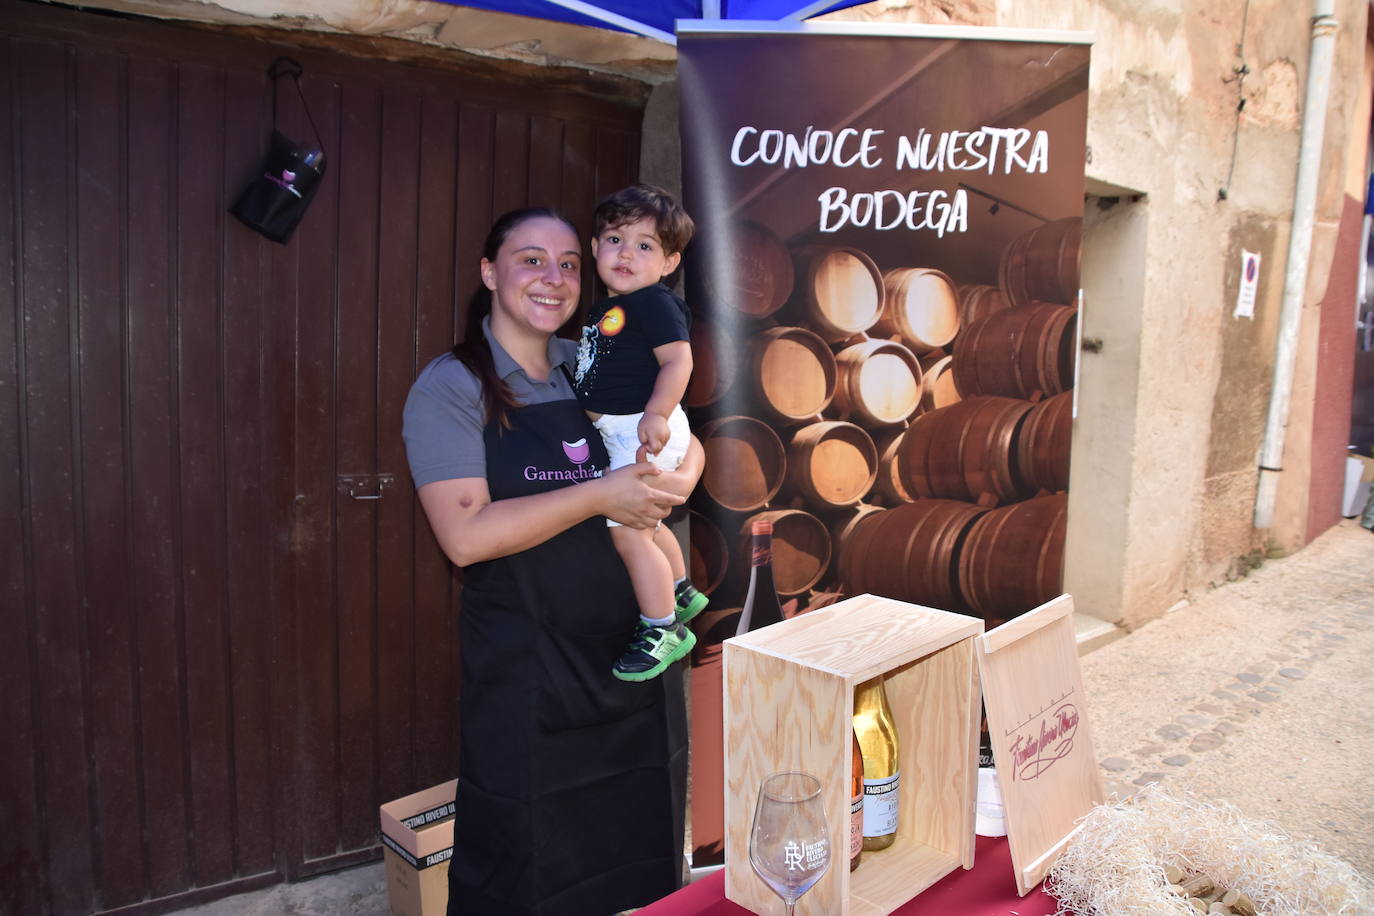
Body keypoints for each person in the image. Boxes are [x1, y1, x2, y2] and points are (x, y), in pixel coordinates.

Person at [402, 207, 703, 916]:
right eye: (531, 259)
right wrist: (599, 493)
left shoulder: (591, 364)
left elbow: (670, 433)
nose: (554, 278)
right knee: (522, 863)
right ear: (489, 272)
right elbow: (466, 537)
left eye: (569, 263)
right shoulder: (451, 387)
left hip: (633, 660)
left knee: (636, 857)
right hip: (529, 673)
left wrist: (685, 471)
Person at [573, 185, 708, 683]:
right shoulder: (607, 311)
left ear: (670, 262)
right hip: (624, 429)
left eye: (645, 245)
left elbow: (678, 360)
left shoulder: (654, 303)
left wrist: (656, 410)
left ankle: (663, 627)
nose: (626, 253)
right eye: (614, 239)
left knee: (627, 532)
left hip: (644, 427)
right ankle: (679, 591)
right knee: (646, 525)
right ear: (594, 247)